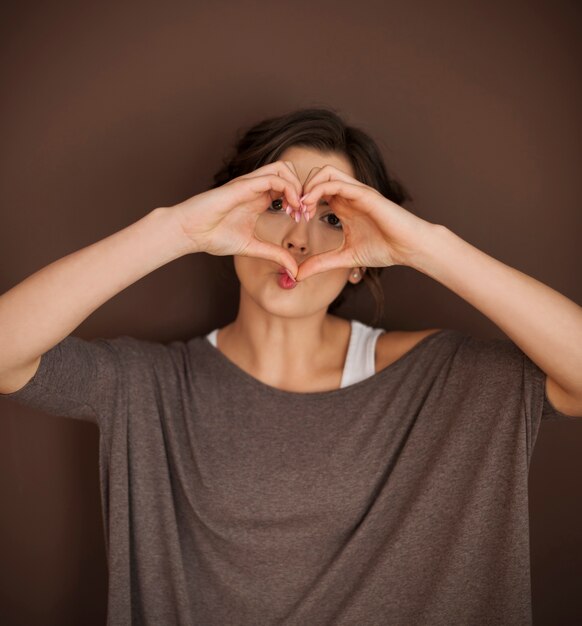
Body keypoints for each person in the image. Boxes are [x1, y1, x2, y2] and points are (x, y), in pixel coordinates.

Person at [0, 107, 580, 625]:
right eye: (278, 205)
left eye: (333, 217)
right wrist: (176, 231)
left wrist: (426, 247)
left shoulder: (447, 383)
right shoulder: (149, 389)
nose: (299, 239)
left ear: (363, 259)